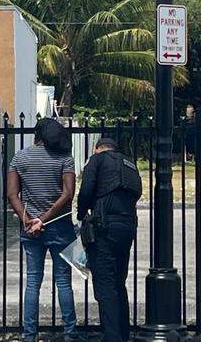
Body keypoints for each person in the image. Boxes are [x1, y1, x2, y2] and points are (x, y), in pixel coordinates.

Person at [7, 117, 79, 342]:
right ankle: (70, 333)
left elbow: (11, 194)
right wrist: (44, 219)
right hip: (60, 227)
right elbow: (68, 194)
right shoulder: (64, 158)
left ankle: (30, 335)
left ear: (36, 135)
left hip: (31, 231)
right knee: (63, 282)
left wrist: (29, 220)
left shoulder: (20, 157)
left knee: (33, 282)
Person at [77, 136, 141, 342]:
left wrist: (81, 213)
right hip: (127, 225)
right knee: (118, 282)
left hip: (104, 227)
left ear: (98, 149)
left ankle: (113, 337)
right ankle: (123, 333)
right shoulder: (129, 163)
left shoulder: (97, 160)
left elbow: (86, 190)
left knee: (105, 285)